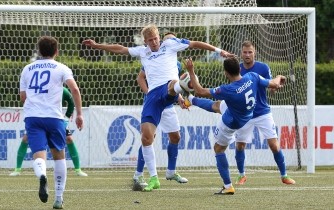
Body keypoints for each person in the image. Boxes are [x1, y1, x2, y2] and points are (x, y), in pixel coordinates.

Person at [82, 24, 235, 192]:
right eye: (150, 40)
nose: (154, 42)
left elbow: (195, 43)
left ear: (159, 37)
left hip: (168, 90)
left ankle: (183, 86)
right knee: (146, 138)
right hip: (153, 97)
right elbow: (120, 49)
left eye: (155, 38)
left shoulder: (169, 45)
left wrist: (219, 51)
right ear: (145, 41)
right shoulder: (143, 51)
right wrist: (97, 45)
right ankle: (153, 178)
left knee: (173, 86)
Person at [183, 57, 286, 194]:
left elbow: (201, 90)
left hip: (231, 122)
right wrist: (279, 78)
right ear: (239, 68)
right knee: (217, 105)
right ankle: (190, 100)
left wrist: (191, 71)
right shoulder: (252, 76)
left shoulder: (228, 89)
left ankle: (228, 186)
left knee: (218, 149)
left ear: (226, 73)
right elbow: (273, 83)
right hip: (244, 114)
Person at [19, 36, 83, 209]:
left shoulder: (27, 69)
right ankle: (58, 198)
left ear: (39, 51)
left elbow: (23, 97)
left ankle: (42, 175)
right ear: (57, 51)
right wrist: (79, 114)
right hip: (54, 118)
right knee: (59, 156)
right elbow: (74, 89)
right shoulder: (61, 68)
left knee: (39, 154)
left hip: (33, 117)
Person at [233, 41, 295, 185]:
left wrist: (276, 86)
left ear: (255, 53)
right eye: (245, 52)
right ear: (241, 53)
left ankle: (284, 175)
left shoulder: (263, 68)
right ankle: (241, 175)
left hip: (262, 112)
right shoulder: (237, 70)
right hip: (244, 114)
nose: (247, 55)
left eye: (250, 52)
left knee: (274, 144)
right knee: (240, 145)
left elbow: (271, 87)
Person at [133, 32, 188, 190]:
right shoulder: (153, 57)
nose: (171, 42)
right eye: (168, 39)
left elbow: (174, 86)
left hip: (168, 105)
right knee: (149, 138)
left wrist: (181, 99)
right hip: (154, 102)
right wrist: (149, 93)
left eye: (174, 40)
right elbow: (140, 78)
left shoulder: (176, 64)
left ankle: (171, 171)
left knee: (176, 136)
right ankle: (138, 174)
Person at [9, 87, 88, 177]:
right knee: (25, 139)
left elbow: (71, 103)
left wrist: (66, 118)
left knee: (69, 139)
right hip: (39, 120)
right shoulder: (40, 90)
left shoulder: (63, 91)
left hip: (55, 121)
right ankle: (17, 169)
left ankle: (78, 170)